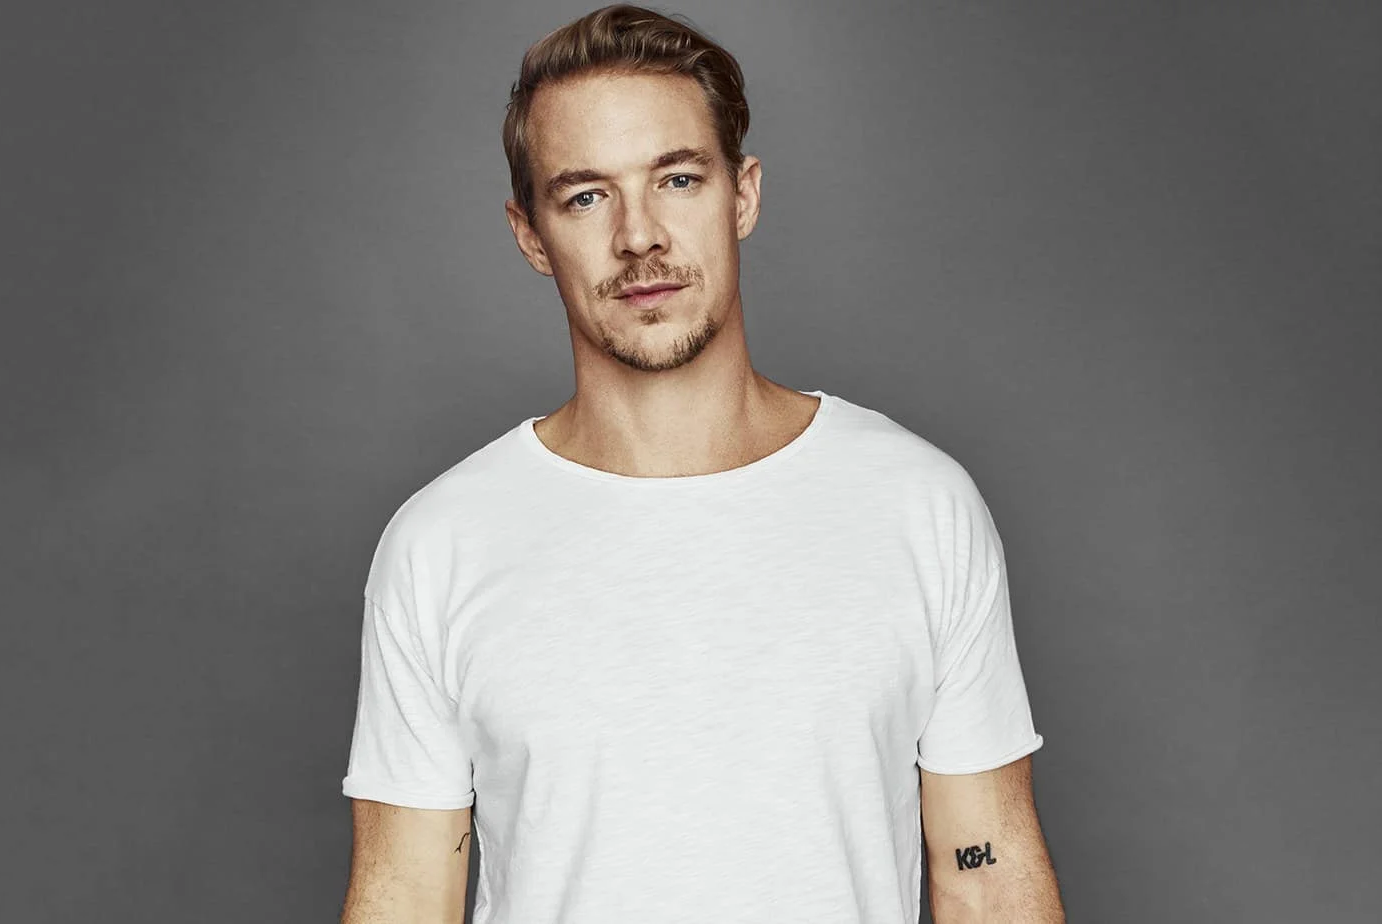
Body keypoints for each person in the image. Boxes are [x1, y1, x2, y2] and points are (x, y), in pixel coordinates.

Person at [339, 5, 1065, 922]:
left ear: (742, 196)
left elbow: (986, 876)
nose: (639, 235)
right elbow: (406, 897)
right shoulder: (442, 545)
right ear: (530, 235)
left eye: (677, 179)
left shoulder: (917, 506)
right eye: (586, 196)